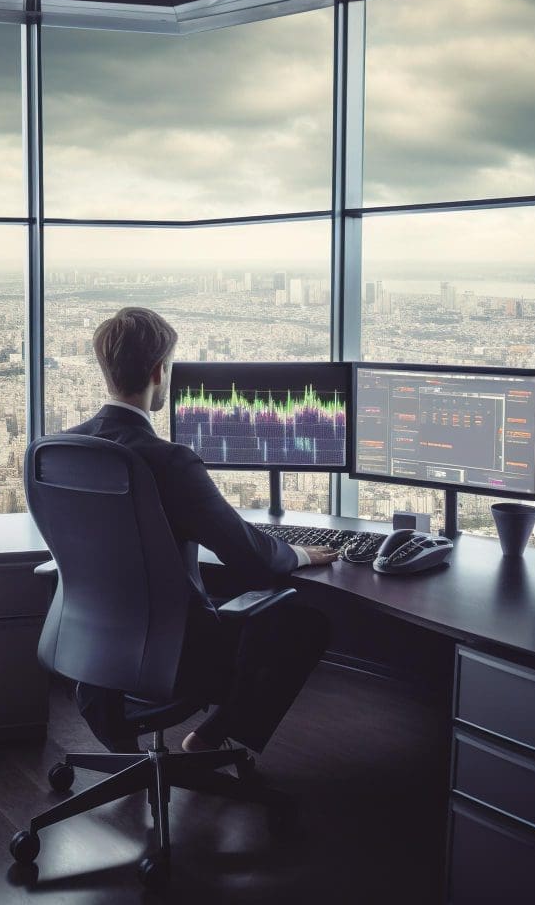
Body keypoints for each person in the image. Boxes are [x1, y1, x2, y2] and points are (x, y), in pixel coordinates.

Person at [67, 306, 336, 755]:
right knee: (305, 623)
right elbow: (253, 558)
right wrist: (301, 553)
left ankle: (123, 744)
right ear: (159, 371)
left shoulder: (59, 450)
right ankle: (210, 738)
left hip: (87, 645)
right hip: (174, 657)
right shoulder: (170, 461)